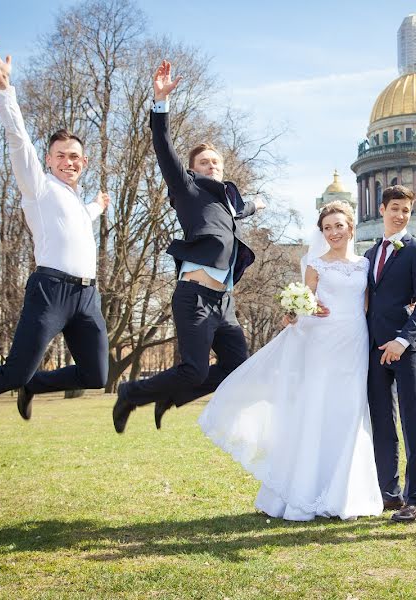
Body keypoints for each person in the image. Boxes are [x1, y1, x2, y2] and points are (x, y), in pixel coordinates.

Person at [0, 40, 111, 449]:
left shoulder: (73, 201)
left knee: (96, 377)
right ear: (49, 160)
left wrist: (98, 206)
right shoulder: (38, 187)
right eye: (62, 155)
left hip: (87, 298)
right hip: (50, 292)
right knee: (16, 370)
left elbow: (81, 219)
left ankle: (33, 388)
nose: (70, 161)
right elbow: (17, 139)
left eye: (76, 157)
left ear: (83, 163)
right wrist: (4, 89)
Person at [198, 201, 382, 521]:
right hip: (322, 343)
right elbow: (305, 299)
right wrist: (296, 311)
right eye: (327, 228)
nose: (334, 232)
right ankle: (303, 492)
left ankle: (345, 494)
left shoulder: (365, 265)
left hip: (354, 342)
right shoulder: (315, 263)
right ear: (321, 232)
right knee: (318, 408)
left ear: (351, 227)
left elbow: (367, 306)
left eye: (339, 226)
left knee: (350, 411)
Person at [112, 60, 264, 432]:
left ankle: (172, 396)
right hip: (195, 295)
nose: (210, 165)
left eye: (216, 161)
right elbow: (163, 147)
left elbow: (240, 209)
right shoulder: (189, 188)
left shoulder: (227, 203)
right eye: (203, 162)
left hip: (223, 302)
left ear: (223, 168)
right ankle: (131, 393)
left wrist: (256, 204)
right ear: (194, 169)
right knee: (193, 369)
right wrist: (160, 103)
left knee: (236, 369)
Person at [365, 185, 416, 522]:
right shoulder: (367, 256)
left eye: (406, 210)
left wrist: (404, 340)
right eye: (395, 208)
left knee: (412, 423)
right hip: (373, 350)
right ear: (382, 210)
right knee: (382, 423)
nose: (400, 215)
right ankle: (388, 494)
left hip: (405, 350)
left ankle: (415, 499)